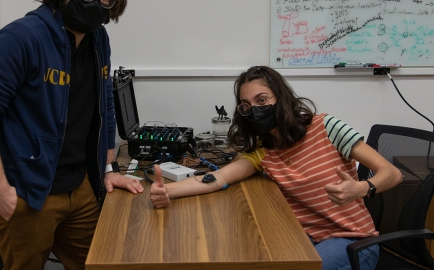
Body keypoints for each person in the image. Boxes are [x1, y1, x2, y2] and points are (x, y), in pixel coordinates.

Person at [0, 0, 144, 270]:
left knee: (101, 262)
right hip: (27, 193)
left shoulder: (98, 39)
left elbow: (104, 103)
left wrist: (107, 169)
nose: (94, 2)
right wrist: (0, 189)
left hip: (80, 187)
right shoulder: (22, 38)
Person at [150, 66, 402, 270]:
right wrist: (168, 192)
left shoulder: (327, 127)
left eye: (262, 100)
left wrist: (361, 188)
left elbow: (392, 173)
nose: (255, 109)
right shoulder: (264, 151)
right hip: (303, 236)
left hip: (351, 240)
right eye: (247, 105)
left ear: (281, 97)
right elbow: (217, 178)